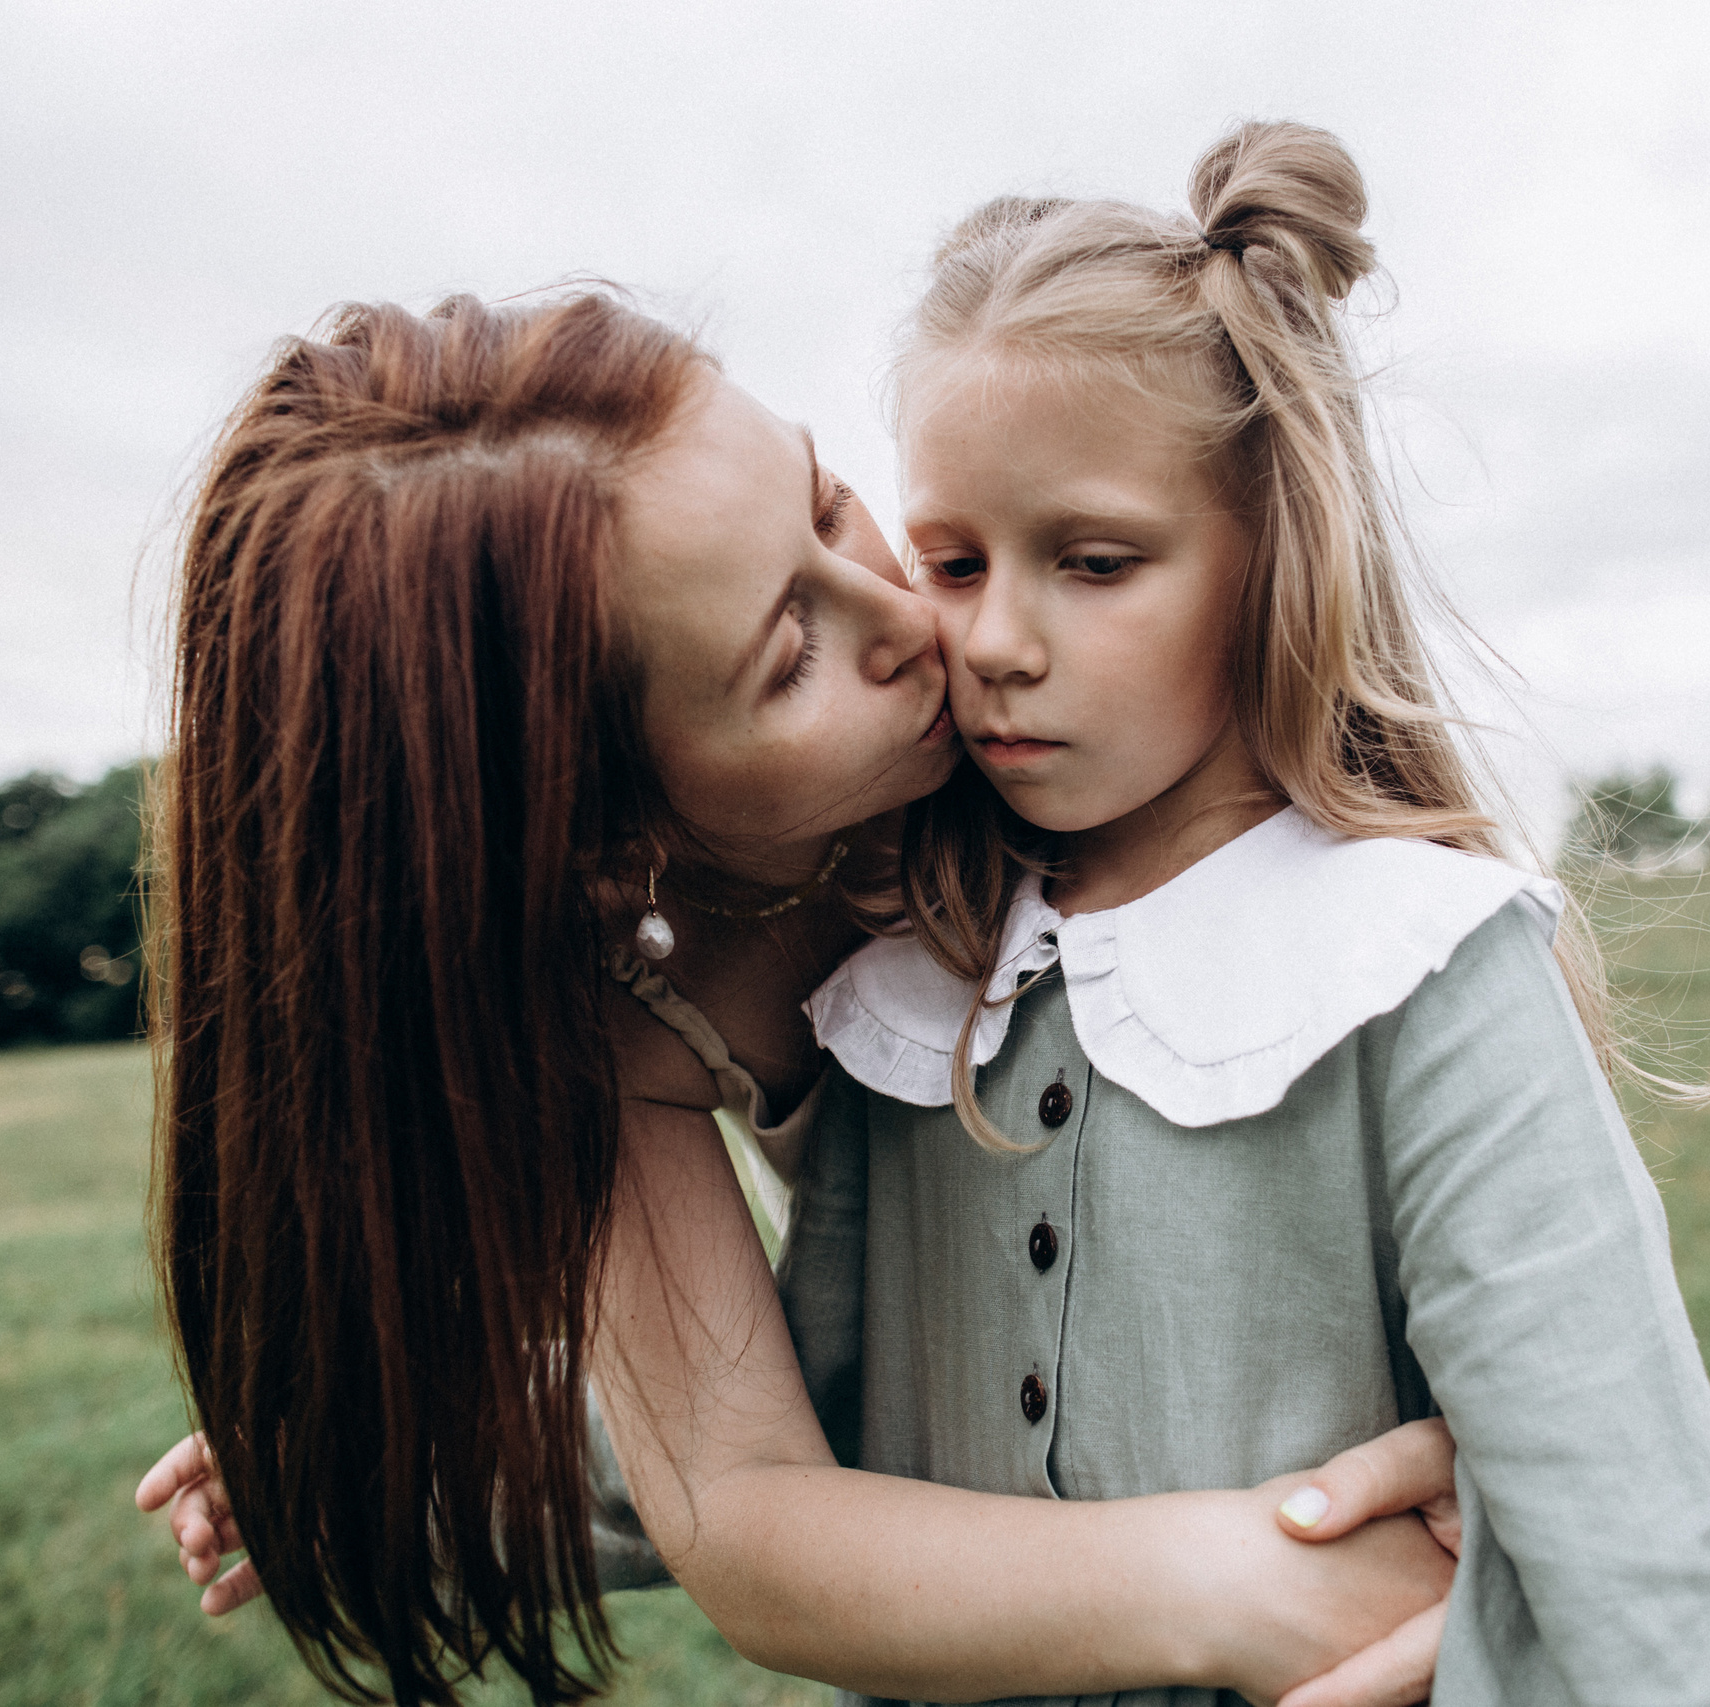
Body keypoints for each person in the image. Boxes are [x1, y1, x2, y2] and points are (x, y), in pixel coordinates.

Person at [135, 286, 1467, 1706]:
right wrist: (1245, 1583)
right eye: (787, 658)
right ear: (605, 848)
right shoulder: (621, 993)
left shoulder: (1086, 741)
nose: (915, 618)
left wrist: (1530, 1454)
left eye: (829, 503)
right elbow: (748, 1483)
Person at [777, 122, 1710, 1706]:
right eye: (953, 559)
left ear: (1270, 555)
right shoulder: (914, 986)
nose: (993, 638)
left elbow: (1644, 1563)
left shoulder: (1424, 963)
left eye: (1095, 561)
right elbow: (741, 1449)